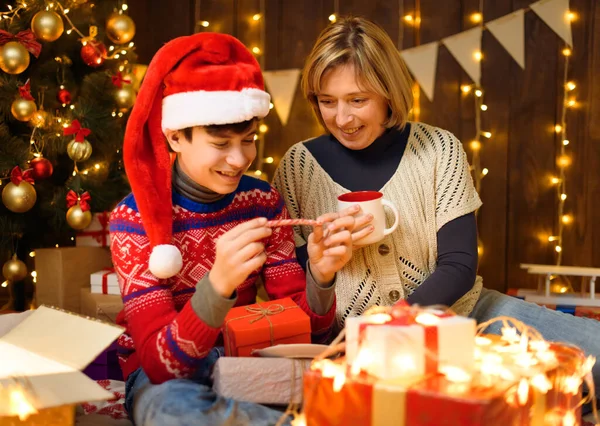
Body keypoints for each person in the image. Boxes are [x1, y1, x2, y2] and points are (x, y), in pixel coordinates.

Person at [272, 16, 600, 389]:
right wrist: (322, 272)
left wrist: (394, 323)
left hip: (465, 316)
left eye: (357, 100)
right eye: (327, 101)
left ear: (388, 92)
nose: (341, 118)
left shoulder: (438, 149)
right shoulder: (298, 166)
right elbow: (299, 293)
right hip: (350, 343)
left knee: (593, 356)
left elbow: (459, 265)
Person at [110, 32, 354, 426]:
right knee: (170, 410)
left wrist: (321, 279)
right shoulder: (134, 219)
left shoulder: (261, 202)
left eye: (249, 140)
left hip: (249, 358)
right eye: (220, 144)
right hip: (168, 379)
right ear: (175, 135)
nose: (239, 158)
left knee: (343, 385)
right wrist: (218, 285)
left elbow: (307, 338)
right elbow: (160, 368)